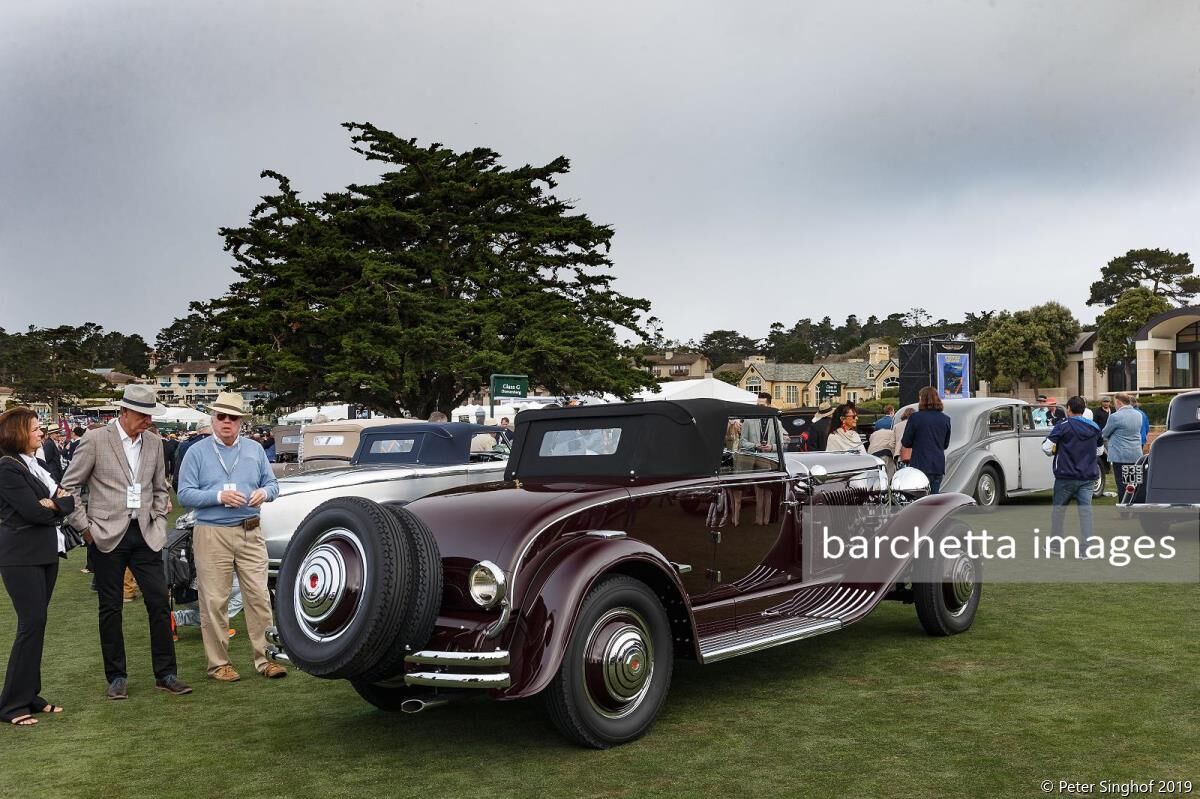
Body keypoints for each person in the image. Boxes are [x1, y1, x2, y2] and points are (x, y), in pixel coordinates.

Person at [61, 384, 191, 700]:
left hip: (145, 535)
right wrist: (86, 529)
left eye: (150, 416)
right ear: (125, 412)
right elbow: (68, 489)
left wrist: (159, 519)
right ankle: (116, 676)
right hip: (105, 536)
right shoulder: (94, 440)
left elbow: (162, 488)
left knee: (159, 601)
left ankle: (166, 674)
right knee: (110, 607)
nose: (148, 421)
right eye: (143, 416)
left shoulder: (154, 442)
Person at [176, 392, 285, 682]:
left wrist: (266, 492)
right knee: (214, 600)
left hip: (251, 529)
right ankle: (219, 664)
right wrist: (219, 496)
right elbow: (184, 494)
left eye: (232, 418)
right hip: (212, 532)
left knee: (260, 596)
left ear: (241, 422)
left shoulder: (254, 449)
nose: (226, 422)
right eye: (221, 416)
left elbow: (272, 484)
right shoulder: (196, 452)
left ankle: (267, 658)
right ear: (213, 419)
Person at [0, 407, 76, 727]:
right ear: (18, 432)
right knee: (31, 624)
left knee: (37, 624)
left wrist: (55, 503)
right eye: (34, 429)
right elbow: (33, 512)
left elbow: (68, 499)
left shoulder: (38, 463)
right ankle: (12, 705)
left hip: (44, 551)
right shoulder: (7, 467)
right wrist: (54, 504)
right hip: (20, 555)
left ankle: (30, 695)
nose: (41, 433)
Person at [1043, 396, 1101, 557]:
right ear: (1083, 409)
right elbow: (1100, 451)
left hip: (1065, 476)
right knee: (1086, 513)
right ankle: (1087, 548)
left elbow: (1046, 448)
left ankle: (1055, 545)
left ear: (1068, 408)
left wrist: (1058, 450)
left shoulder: (1063, 426)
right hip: (1088, 476)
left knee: (1058, 512)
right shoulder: (1095, 427)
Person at [900, 387, 952, 493]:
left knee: (920, 502)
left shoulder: (915, 417)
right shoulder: (946, 419)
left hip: (920, 466)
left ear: (922, 400)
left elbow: (906, 442)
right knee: (933, 501)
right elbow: (945, 445)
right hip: (938, 466)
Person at [1101, 393, 1144, 500]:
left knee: (1122, 485)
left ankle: (1124, 510)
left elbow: (1104, 433)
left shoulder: (1115, 416)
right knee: (1134, 483)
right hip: (1135, 453)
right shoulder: (1138, 414)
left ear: (1119, 402)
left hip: (1120, 455)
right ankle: (1135, 507)